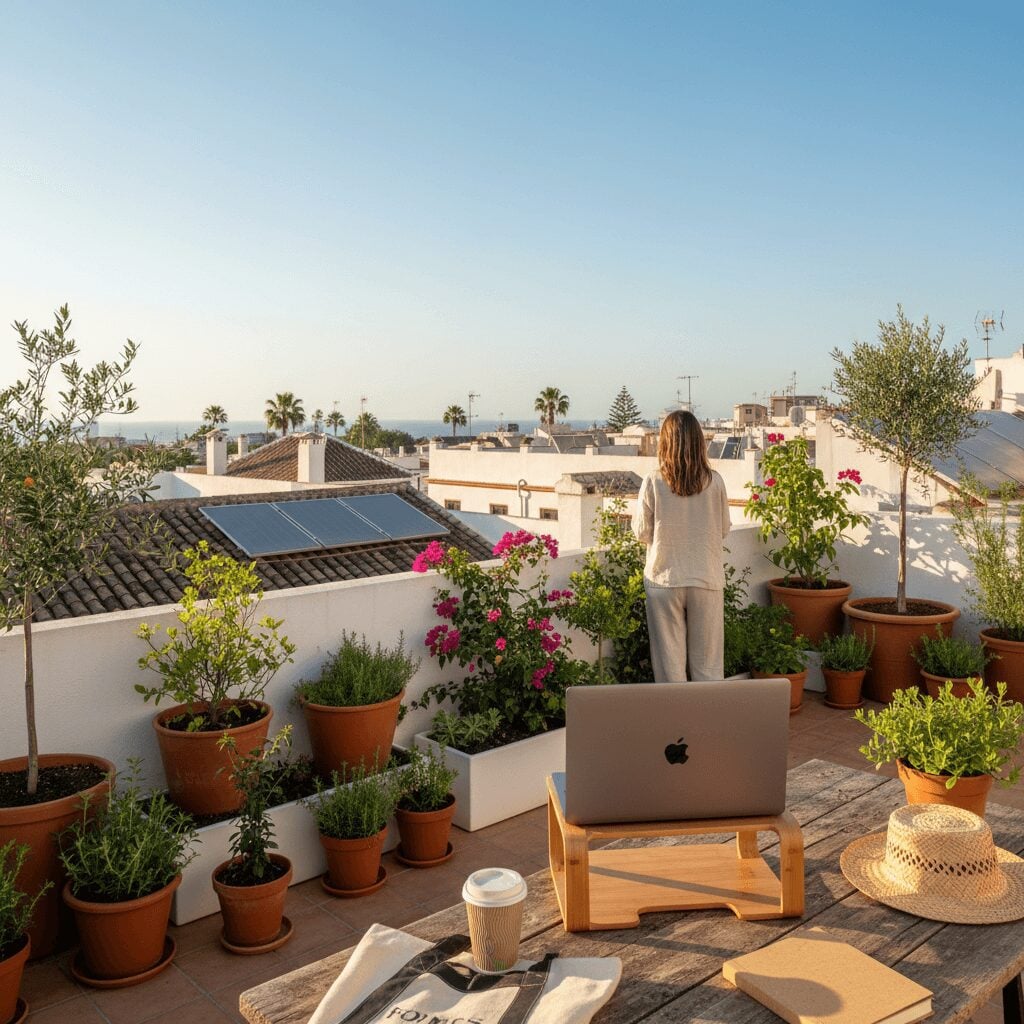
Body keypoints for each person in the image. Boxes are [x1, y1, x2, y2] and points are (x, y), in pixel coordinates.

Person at [632, 410, 731, 682]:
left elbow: (642, 532)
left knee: (669, 669)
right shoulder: (715, 482)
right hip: (706, 578)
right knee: (708, 667)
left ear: (665, 441)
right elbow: (722, 529)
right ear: (699, 441)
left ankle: (675, 723)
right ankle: (706, 722)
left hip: (664, 579)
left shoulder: (653, 481)